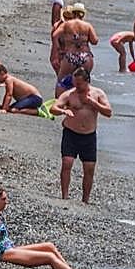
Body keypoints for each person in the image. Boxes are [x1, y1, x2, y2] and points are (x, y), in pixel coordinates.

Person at [0, 182, 98, 269]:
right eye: (3, 199)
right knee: (49, 257)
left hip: (10, 248)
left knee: (49, 246)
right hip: (4, 253)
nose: (6, 202)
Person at [50, 69, 112, 203]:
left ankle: (85, 199)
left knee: (89, 169)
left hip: (88, 136)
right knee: (67, 163)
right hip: (71, 133)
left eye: (79, 84)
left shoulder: (98, 94)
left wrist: (92, 103)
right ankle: (64, 196)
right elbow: (53, 108)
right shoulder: (69, 94)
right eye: (75, 83)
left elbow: (108, 112)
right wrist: (63, 110)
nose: (77, 87)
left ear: (87, 81)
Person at [51, 2, 98, 95]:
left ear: (73, 13)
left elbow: (55, 35)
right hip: (85, 57)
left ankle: (59, 103)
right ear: (83, 14)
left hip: (70, 56)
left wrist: (57, 50)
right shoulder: (87, 25)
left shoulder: (67, 24)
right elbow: (95, 41)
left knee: (62, 81)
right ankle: (82, 104)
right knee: (85, 82)